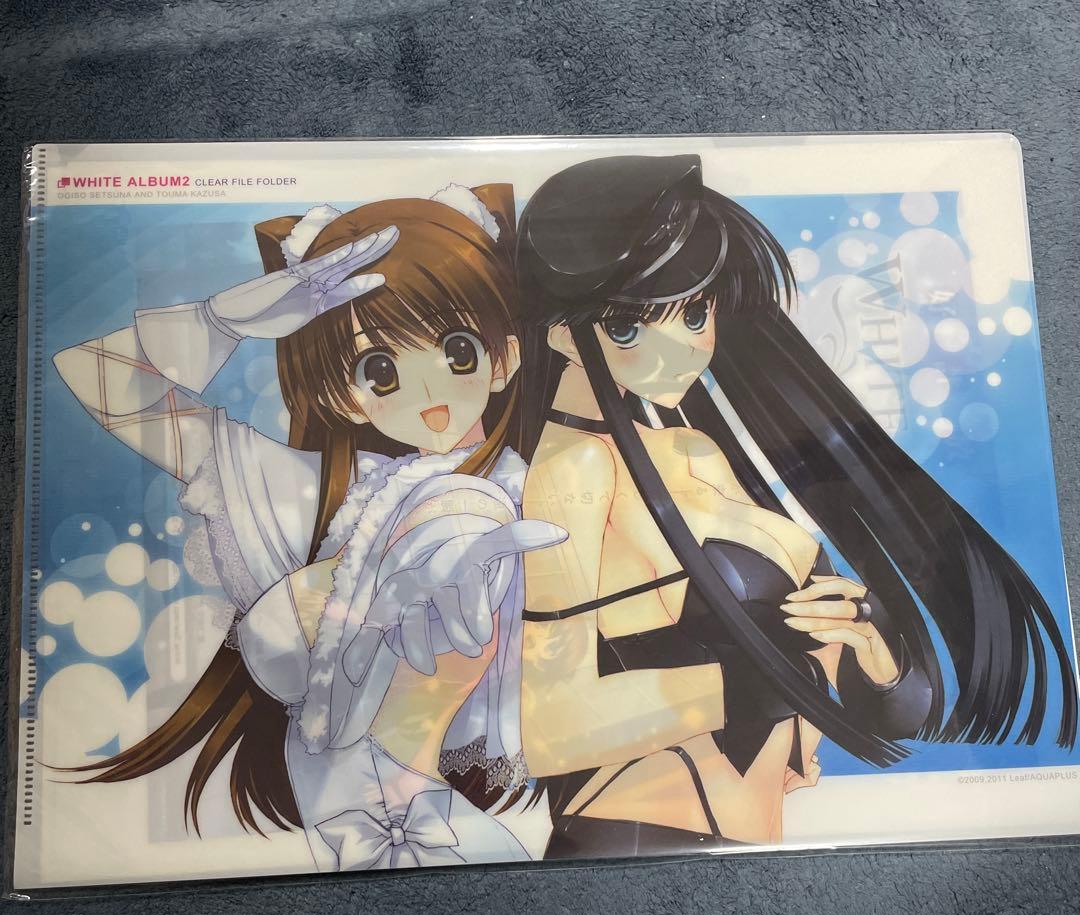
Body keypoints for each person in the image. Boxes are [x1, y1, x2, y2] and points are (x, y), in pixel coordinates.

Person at [508, 153, 1077, 856]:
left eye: (695, 312)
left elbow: (888, 711)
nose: (681, 350)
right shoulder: (572, 471)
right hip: (637, 833)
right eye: (627, 327)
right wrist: (780, 678)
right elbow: (549, 729)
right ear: (561, 332)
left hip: (752, 843)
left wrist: (868, 647)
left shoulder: (692, 449)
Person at [56, 184, 563, 870]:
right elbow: (95, 376)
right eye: (380, 369)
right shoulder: (321, 496)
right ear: (340, 394)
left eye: (457, 351)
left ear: (505, 356)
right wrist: (219, 321)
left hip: (482, 809)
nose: (426, 392)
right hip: (360, 816)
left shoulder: (541, 490)